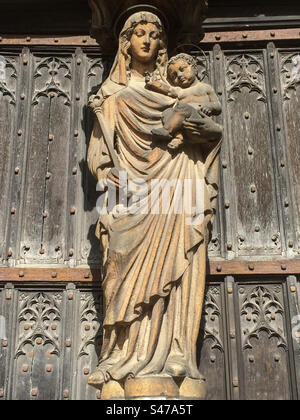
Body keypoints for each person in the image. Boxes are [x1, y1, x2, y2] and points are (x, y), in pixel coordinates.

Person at [87, 10, 222, 395]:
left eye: (153, 35)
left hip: (178, 184)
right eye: (139, 34)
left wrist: (204, 134)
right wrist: (102, 176)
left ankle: (175, 358)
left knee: (179, 270)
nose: (146, 40)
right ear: (125, 42)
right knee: (121, 263)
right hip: (129, 192)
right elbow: (99, 151)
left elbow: (209, 129)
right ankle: (120, 361)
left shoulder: (179, 90)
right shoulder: (110, 95)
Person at [146, 53, 222, 150]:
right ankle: (179, 137)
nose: (179, 75)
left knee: (185, 108)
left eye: (182, 69)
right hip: (183, 122)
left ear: (194, 68)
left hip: (198, 119)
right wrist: (153, 83)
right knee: (167, 112)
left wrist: (209, 106)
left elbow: (218, 106)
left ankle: (167, 131)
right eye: (174, 76)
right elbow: (168, 90)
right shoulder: (181, 91)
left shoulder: (204, 88)